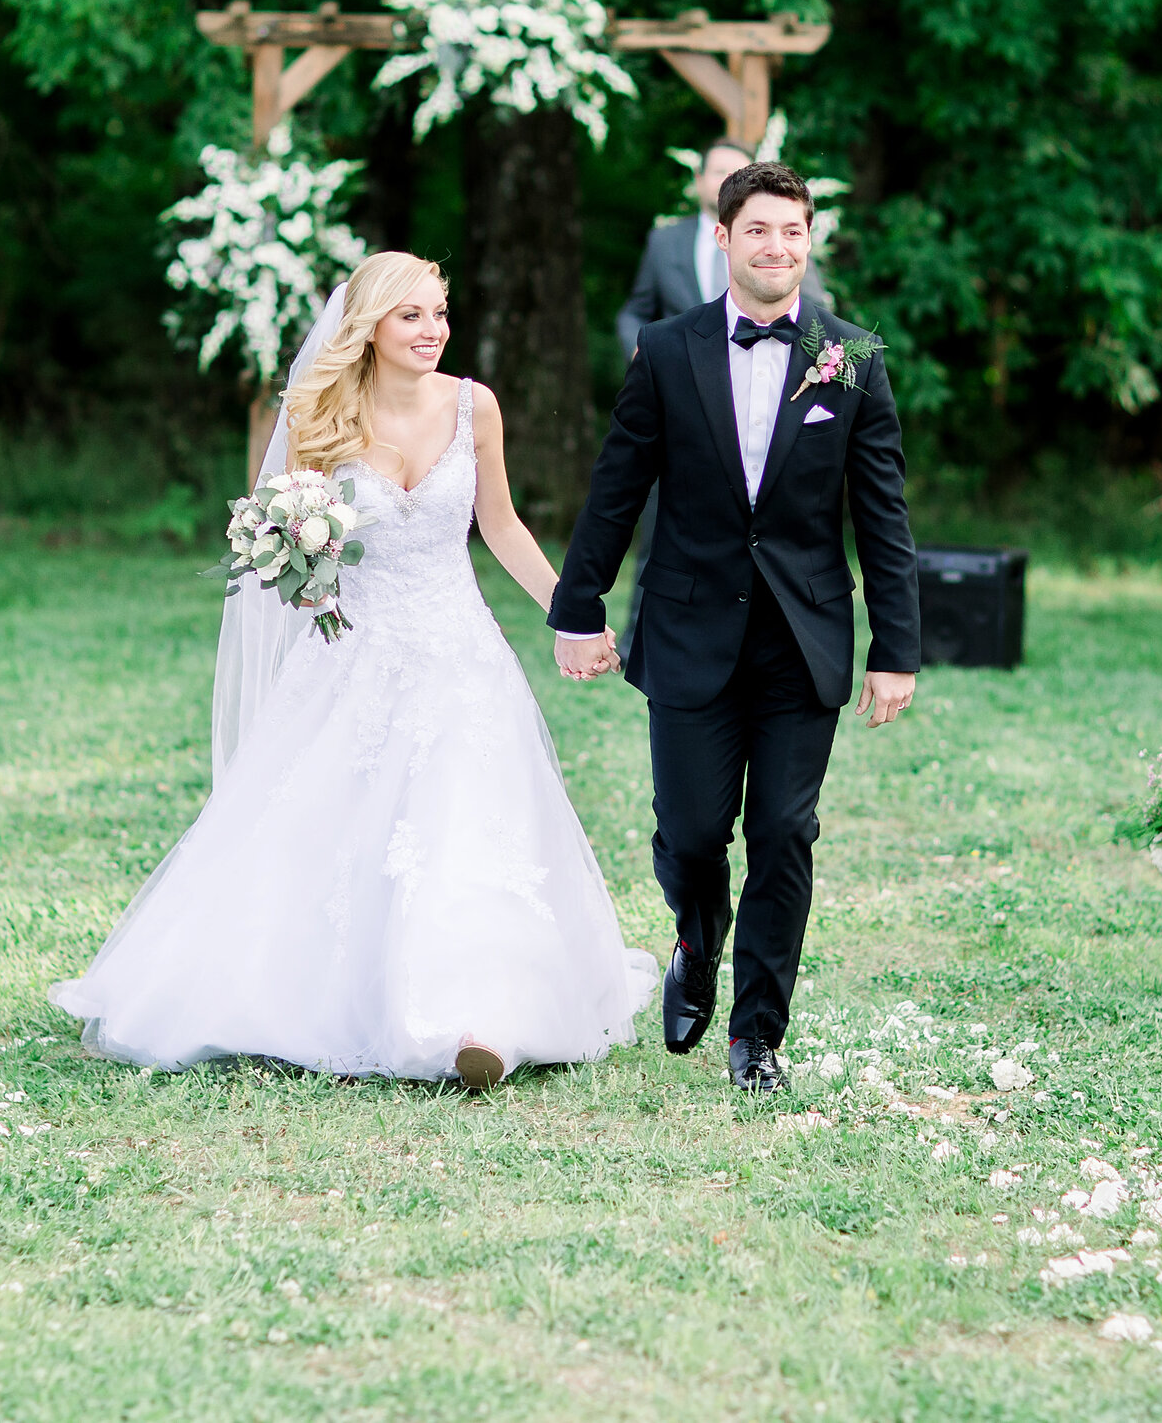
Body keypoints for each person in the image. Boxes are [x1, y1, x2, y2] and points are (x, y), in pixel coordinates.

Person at [50, 252, 654, 1089]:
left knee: (464, 825)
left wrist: (574, 611)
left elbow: (503, 525)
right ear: (368, 325)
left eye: (440, 313)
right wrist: (301, 574)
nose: (432, 330)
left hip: (457, 654)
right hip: (351, 654)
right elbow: (287, 538)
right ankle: (321, 999)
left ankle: (480, 1022)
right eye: (411, 316)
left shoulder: (474, 406)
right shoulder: (319, 410)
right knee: (334, 830)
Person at [551, 161, 923, 1094]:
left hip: (804, 637)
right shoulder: (666, 350)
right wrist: (577, 607)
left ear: (810, 240)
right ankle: (695, 936)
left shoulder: (853, 356)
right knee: (688, 830)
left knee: (785, 834)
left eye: (794, 231)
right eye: (760, 230)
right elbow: (617, 488)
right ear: (722, 240)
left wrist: (898, 651)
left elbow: (883, 514)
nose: (779, 247)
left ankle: (757, 1036)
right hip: (686, 628)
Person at [614, 139, 830, 645]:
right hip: (678, 406)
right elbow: (635, 310)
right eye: (714, 171)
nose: (719, 179)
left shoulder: (781, 250)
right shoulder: (664, 242)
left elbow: (813, 309)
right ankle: (641, 634)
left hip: (761, 400)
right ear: (701, 182)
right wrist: (641, 353)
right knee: (660, 517)